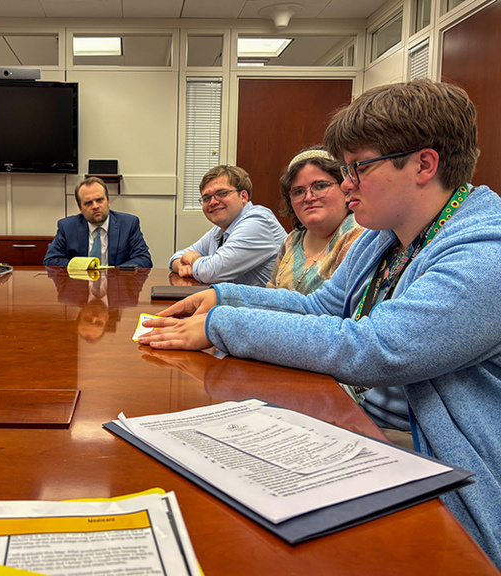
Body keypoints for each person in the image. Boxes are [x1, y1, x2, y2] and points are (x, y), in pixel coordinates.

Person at [139, 79, 501, 566]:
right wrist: (221, 295)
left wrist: (222, 326)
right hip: (373, 433)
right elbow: (320, 309)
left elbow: (376, 349)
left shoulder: (486, 250)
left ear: (424, 164)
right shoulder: (385, 236)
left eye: (359, 168)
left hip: (453, 468)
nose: (347, 183)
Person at [168, 165, 286, 285]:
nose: (213, 202)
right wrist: (182, 266)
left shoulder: (258, 221)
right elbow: (176, 257)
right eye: (206, 198)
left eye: (222, 193)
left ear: (243, 197)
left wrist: (193, 259)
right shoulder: (220, 230)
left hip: (271, 303)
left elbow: (211, 273)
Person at [268, 147, 363, 295]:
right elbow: (271, 294)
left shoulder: (358, 236)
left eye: (320, 186)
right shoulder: (292, 239)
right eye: (298, 191)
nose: (309, 197)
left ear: (346, 191)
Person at [43, 177, 152, 268]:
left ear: (108, 202)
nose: (95, 206)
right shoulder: (67, 227)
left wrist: (113, 273)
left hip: (117, 288)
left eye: (99, 200)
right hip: (80, 289)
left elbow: (144, 260)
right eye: (88, 203)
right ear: (80, 208)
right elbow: (51, 260)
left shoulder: (129, 224)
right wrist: (85, 267)